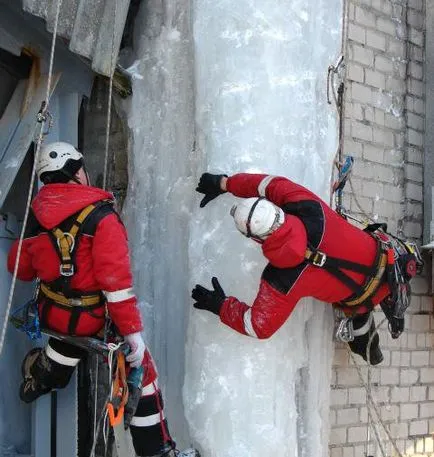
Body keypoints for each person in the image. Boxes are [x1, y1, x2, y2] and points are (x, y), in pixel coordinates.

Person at [7, 142, 197, 457]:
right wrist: (133, 335)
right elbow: (116, 285)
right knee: (142, 372)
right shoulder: (101, 217)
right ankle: (158, 452)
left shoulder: (38, 218)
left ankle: (40, 379)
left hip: (53, 315)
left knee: (68, 341)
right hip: (92, 320)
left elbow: (18, 268)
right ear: (74, 172)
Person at [192, 172, 421, 366]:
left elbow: (259, 326)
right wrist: (224, 183)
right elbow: (266, 185)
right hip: (391, 265)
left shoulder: (281, 277)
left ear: (255, 238)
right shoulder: (307, 207)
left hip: (362, 301)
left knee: (364, 341)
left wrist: (220, 305)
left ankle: (372, 354)